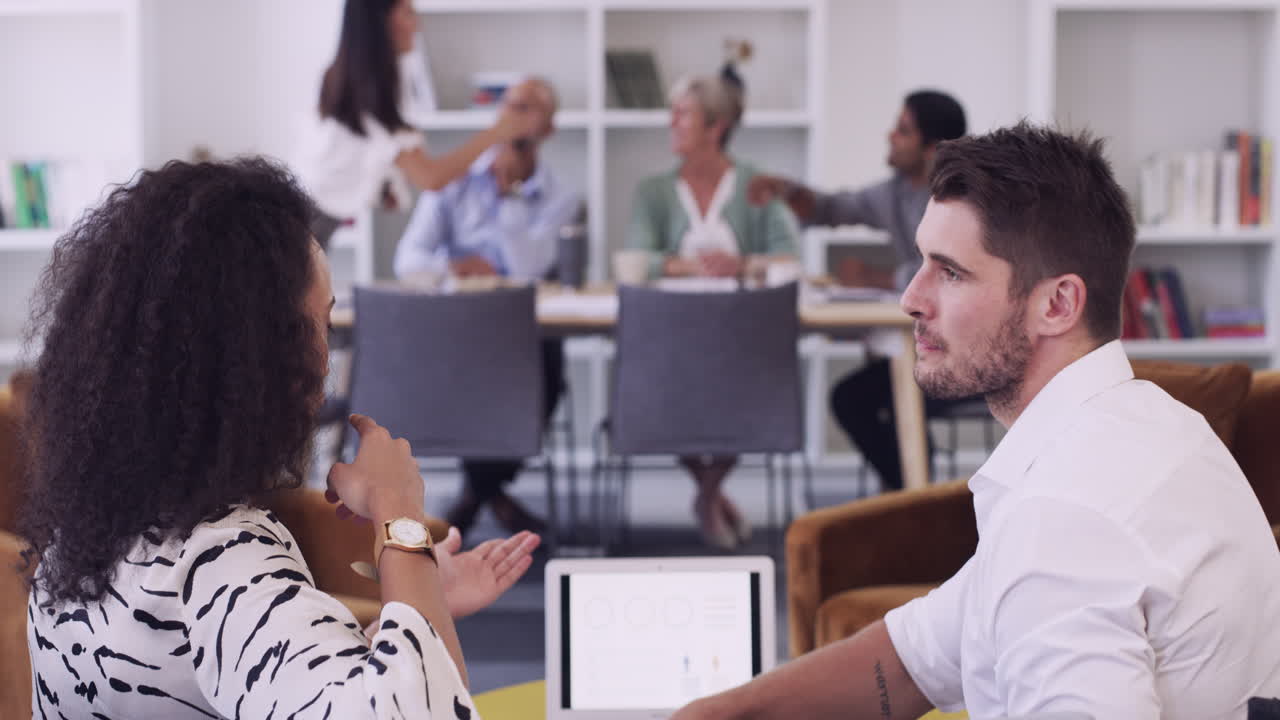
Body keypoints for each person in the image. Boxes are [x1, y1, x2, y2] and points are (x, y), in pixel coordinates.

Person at [672, 123, 1280, 718]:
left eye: (951, 272)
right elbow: (914, 660)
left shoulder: (1065, 518)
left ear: (1056, 304)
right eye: (921, 262)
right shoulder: (1154, 426)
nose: (911, 298)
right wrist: (715, 713)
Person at [21, 158, 542, 718]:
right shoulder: (221, 558)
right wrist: (401, 517)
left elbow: (277, 684)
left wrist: (416, 606)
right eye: (319, 325)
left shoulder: (75, 546)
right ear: (259, 358)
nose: (325, 360)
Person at [749, 90, 970, 491]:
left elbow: (952, 274)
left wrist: (872, 277)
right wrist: (786, 190)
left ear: (932, 149)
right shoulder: (894, 193)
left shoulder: (964, 201)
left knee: (857, 399)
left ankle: (910, 502)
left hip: (967, 354)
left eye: (902, 130)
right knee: (869, 395)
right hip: (922, 348)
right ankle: (909, 500)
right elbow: (833, 208)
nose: (890, 136)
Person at [393, 76, 580, 537]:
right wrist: (452, 267)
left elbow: (529, 267)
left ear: (549, 128)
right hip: (451, 336)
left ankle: (471, 498)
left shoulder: (562, 198)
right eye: (510, 106)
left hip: (516, 340)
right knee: (473, 377)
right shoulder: (451, 182)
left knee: (547, 366)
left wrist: (509, 193)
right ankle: (489, 495)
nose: (516, 116)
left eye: (529, 108)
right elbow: (407, 259)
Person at [627, 65, 798, 551]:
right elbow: (638, 259)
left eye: (682, 114)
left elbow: (788, 258)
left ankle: (706, 495)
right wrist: (694, 267)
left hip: (740, 344)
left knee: (748, 387)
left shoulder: (755, 185)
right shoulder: (652, 192)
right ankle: (711, 494)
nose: (671, 123)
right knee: (655, 388)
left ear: (715, 127)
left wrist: (740, 264)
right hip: (668, 343)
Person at [293, 0, 542, 250]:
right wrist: (497, 132)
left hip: (305, 214)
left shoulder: (359, 78)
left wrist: (383, 185)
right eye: (408, 14)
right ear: (380, 22)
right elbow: (430, 177)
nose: (417, 25)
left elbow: (362, 150)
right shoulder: (373, 91)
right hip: (308, 222)